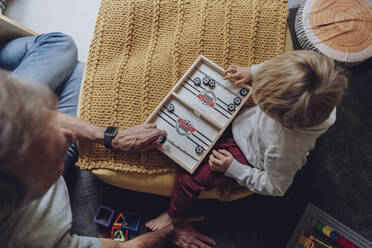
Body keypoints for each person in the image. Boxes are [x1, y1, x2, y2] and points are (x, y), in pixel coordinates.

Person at [0, 33, 215, 248]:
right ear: (36, 196)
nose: (70, 135)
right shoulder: (37, 239)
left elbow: (44, 118)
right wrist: (170, 229)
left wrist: (113, 137)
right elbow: (124, 246)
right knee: (79, 73)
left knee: (61, 44)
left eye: (45, 125)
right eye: (53, 158)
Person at [146, 50, 348, 230]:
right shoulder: (317, 84)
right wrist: (252, 72)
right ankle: (230, 181)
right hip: (246, 125)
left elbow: (277, 187)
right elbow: (276, 68)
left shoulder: (284, 148)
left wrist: (234, 169)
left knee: (190, 178)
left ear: (285, 124)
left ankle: (173, 215)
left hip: (246, 154)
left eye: (264, 103)